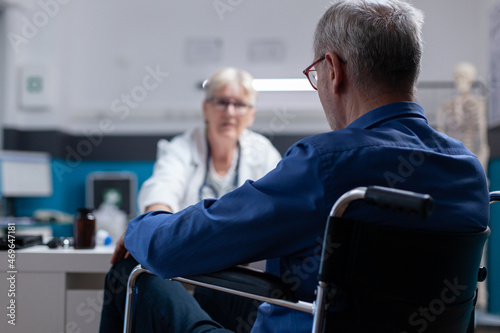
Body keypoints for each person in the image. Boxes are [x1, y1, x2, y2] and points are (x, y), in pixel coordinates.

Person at [101, 0, 489, 332]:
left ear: (333, 70)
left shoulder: (325, 164)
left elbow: (171, 249)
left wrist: (140, 229)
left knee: (132, 277)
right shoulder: (469, 172)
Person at [100, 67, 281, 332]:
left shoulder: (262, 153)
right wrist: (150, 224)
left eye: (240, 104)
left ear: (251, 114)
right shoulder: (181, 149)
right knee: (130, 270)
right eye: (221, 102)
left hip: (237, 278)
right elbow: (160, 195)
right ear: (206, 108)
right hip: (184, 271)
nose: (230, 111)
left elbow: (275, 214)